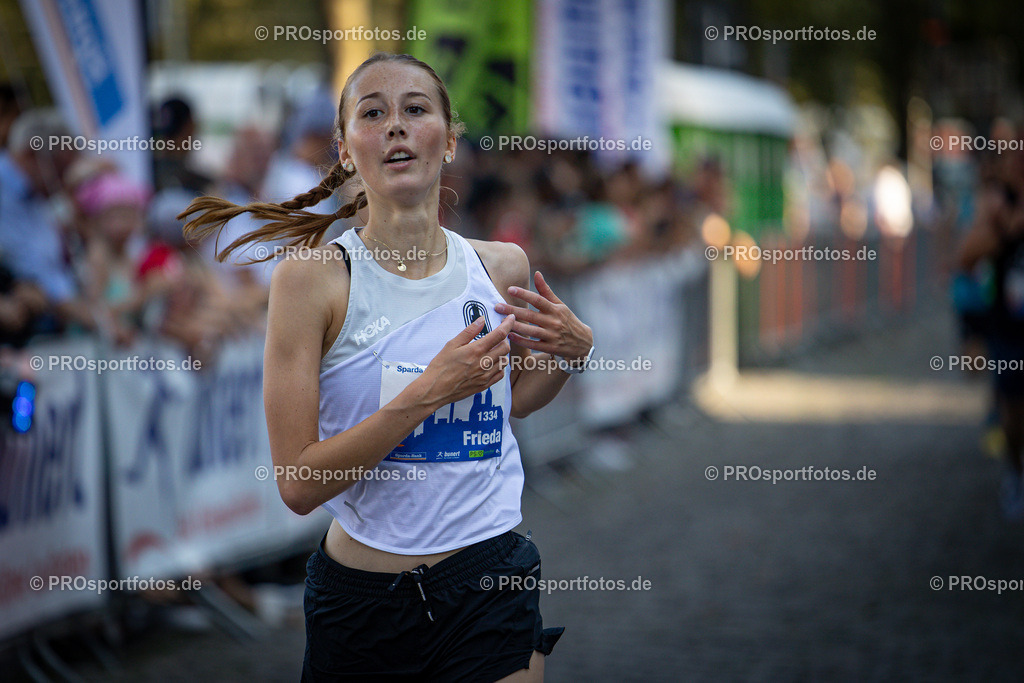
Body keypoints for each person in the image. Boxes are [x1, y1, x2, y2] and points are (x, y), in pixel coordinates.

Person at [180, 52, 595, 681]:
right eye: (373, 114)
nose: (395, 124)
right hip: (363, 603)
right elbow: (298, 484)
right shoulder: (312, 281)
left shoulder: (501, 265)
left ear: (449, 141)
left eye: (415, 109)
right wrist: (428, 392)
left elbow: (513, 400)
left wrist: (571, 355)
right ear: (346, 150)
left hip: (490, 579)